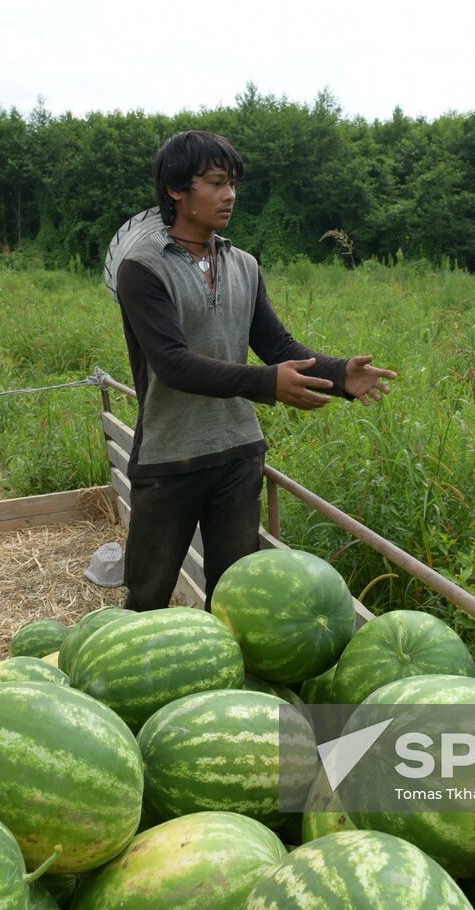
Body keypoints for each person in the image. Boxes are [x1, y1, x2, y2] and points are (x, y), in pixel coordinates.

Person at [104, 130, 396, 611]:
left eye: (232, 183)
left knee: (233, 601)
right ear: (177, 189)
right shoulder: (143, 268)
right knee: (148, 597)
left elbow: (276, 345)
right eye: (216, 183)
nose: (230, 195)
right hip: (170, 456)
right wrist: (267, 384)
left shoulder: (244, 264)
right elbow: (172, 364)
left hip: (238, 453)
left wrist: (340, 374)